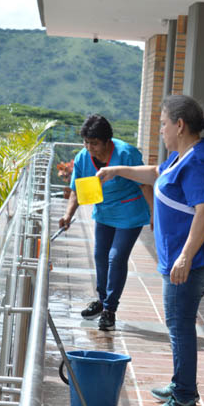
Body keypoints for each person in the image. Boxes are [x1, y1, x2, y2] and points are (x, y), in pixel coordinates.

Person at [97, 95, 204, 406]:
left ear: (180, 125)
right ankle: (181, 385)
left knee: (179, 324)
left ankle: (183, 401)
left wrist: (185, 257)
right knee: (178, 322)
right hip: (185, 257)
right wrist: (117, 170)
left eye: (163, 124)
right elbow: (156, 172)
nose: (161, 130)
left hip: (195, 260)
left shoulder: (198, 161)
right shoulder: (180, 156)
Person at [59, 114, 152, 331]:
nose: (89, 147)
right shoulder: (83, 157)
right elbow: (77, 190)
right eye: (86, 142)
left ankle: (110, 309)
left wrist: (155, 215)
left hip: (130, 212)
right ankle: (102, 300)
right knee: (100, 256)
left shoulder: (126, 154)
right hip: (104, 212)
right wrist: (68, 215)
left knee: (116, 257)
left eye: (94, 143)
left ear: (107, 141)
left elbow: (145, 185)